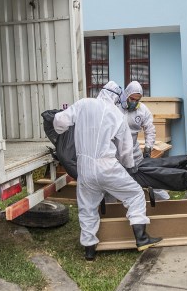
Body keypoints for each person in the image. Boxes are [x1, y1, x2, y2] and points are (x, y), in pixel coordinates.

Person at [53, 81, 162, 261]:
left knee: (87, 207)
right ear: (118, 97)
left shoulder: (83, 104)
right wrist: (129, 167)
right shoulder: (116, 114)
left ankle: (89, 250)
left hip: (84, 167)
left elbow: (59, 121)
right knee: (134, 194)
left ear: (102, 92)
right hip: (107, 166)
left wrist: (62, 130)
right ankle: (141, 238)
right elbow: (126, 148)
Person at [119, 81, 170, 200]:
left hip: (134, 152)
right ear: (126, 95)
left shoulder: (142, 110)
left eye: (138, 100)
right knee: (115, 181)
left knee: (147, 177)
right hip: (117, 153)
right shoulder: (116, 108)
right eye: (132, 99)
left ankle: (166, 201)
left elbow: (150, 130)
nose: (134, 102)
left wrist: (148, 149)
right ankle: (111, 209)